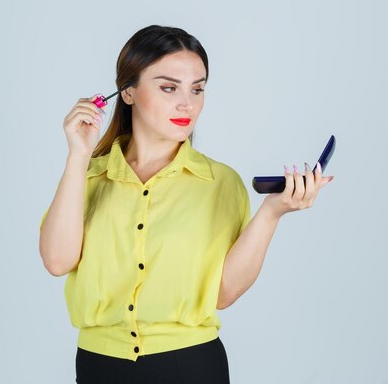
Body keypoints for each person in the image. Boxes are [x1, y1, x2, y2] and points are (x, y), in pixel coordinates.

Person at [38, 25, 334, 384]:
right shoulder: (87, 176)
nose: (187, 103)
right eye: (169, 87)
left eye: (197, 88)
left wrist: (272, 212)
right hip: (99, 367)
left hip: (191, 367)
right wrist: (78, 156)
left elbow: (223, 294)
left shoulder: (220, 182)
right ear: (128, 92)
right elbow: (57, 261)